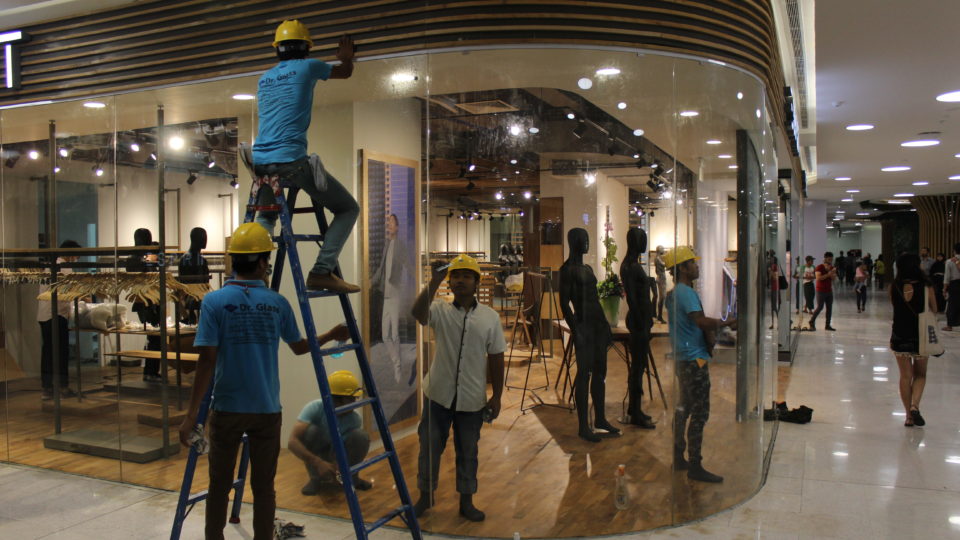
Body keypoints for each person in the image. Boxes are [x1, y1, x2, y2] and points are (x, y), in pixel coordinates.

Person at [177, 222, 349, 540]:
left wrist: (191, 416)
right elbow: (300, 347)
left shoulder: (214, 302)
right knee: (264, 487)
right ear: (259, 263)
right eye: (267, 261)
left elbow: (206, 361)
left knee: (219, 485)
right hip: (266, 409)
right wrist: (332, 334)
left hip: (227, 408)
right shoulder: (276, 303)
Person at [251, 20, 360, 294]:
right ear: (306, 47)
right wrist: (346, 57)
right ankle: (322, 271)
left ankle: (256, 274)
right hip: (290, 161)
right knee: (348, 209)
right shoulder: (309, 66)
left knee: (266, 217)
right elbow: (345, 72)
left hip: (260, 162)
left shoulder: (264, 78)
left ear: (277, 49)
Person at [410, 254, 506, 522]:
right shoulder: (439, 310)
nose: (461, 280)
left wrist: (497, 396)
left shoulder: (489, 318)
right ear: (449, 282)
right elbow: (417, 314)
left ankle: (466, 501)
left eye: (466, 276)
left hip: (472, 399)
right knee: (429, 448)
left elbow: (497, 357)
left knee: (468, 452)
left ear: (477, 282)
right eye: (456, 276)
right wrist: (434, 281)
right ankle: (425, 496)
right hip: (438, 394)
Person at [663, 246, 736, 483]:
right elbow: (701, 322)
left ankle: (678, 456)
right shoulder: (686, 293)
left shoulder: (673, 294)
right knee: (699, 412)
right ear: (683, 268)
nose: (697, 267)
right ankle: (695, 464)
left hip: (683, 357)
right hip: (694, 359)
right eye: (692, 263)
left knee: (683, 407)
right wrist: (727, 322)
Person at [560, 228, 619, 442]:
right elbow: (564, 304)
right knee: (584, 374)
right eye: (582, 239)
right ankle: (583, 426)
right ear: (573, 241)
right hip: (584, 325)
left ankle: (600, 419)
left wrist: (605, 326)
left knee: (600, 372)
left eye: (587, 238)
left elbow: (594, 299)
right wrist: (576, 330)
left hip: (597, 325)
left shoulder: (588, 268)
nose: (586, 242)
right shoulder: (567, 269)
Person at [288, 370, 372, 495]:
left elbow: (344, 446)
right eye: (351, 399)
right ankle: (315, 479)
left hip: (335, 451)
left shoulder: (354, 419)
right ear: (336, 399)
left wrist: (337, 464)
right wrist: (318, 462)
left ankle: (352, 478)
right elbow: (292, 442)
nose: (354, 402)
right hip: (318, 451)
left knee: (361, 437)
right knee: (311, 431)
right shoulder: (314, 408)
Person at [889, 253, 937, 427]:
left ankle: (908, 416)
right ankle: (915, 406)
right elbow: (934, 309)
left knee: (905, 376)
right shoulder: (926, 286)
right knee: (920, 374)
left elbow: (895, 307)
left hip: (899, 334)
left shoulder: (894, 286)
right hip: (920, 335)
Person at [619, 227, 656, 429]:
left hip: (641, 319)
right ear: (635, 242)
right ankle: (635, 412)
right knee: (637, 368)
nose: (645, 243)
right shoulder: (630, 267)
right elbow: (632, 298)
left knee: (639, 367)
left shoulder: (632, 265)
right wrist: (642, 321)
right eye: (643, 239)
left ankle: (635, 409)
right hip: (638, 320)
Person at [37, 239, 82, 400]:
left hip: (44, 314)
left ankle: (47, 388)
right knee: (61, 353)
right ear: (70, 253)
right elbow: (70, 291)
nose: (76, 259)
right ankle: (63, 387)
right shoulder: (64, 267)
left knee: (48, 352)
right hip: (56, 314)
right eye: (76, 256)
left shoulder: (50, 266)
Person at [371, 214, 411, 383]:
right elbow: (381, 268)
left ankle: (397, 368)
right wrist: (371, 282)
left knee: (394, 334)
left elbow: (407, 264)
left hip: (395, 293)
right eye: (388, 222)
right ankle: (396, 362)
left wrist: (414, 280)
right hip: (385, 294)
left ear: (397, 227)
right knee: (385, 335)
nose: (389, 225)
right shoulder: (386, 245)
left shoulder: (400, 245)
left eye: (392, 222)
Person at [124, 228, 163, 382]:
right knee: (155, 338)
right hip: (146, 301)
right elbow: (146, 273)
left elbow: (162, 265)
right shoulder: (138, 258)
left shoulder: (137, 257)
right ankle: (150, 372)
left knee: (155, 338)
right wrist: (152, 256)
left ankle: (151, 371)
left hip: (148, 300)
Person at [178, 227, 211, 324]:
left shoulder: (187, 259)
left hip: (194, 295)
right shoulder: (196, 260)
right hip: (192, 295)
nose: (205, 240)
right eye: (203, 237)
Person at [809, 251, 837, 331]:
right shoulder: (819, 267)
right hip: (820, 290)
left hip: (829, 290)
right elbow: (818, 278)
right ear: (825, 259)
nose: (830, 261)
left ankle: (827, 325)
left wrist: (833, 273)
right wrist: (828, 274)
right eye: (829, 259)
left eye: (831, 259)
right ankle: (811, 321)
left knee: (829, 308)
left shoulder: (832, 268)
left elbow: (834, 279)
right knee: (820, 307)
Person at [944, 243, 960, 331]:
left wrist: (944, 288)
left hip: (954, 284)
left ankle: (950, 325)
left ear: (954, 251)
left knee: (952, 304)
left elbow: (947, 277)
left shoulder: (949, 261)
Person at [655, 245, 667, 323]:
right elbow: (664, 265)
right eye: (662, 248)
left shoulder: (659, 258)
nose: (664, 249)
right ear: (659, 250)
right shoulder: (657, 258)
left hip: (662, 278)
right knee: (662, 297)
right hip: (661, 278)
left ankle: (660, 316)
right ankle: (659, 316)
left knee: (662, 297)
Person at [768, 255, 780, 329]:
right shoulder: (772, 266)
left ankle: (778, 323)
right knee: (772, 307)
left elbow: (775, 277)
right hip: (772, 288)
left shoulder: (774, 267)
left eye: (771, 259)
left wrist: (770, 272)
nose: (770, 260)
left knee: (774, 307)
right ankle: (773, 323)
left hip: (774, 288)